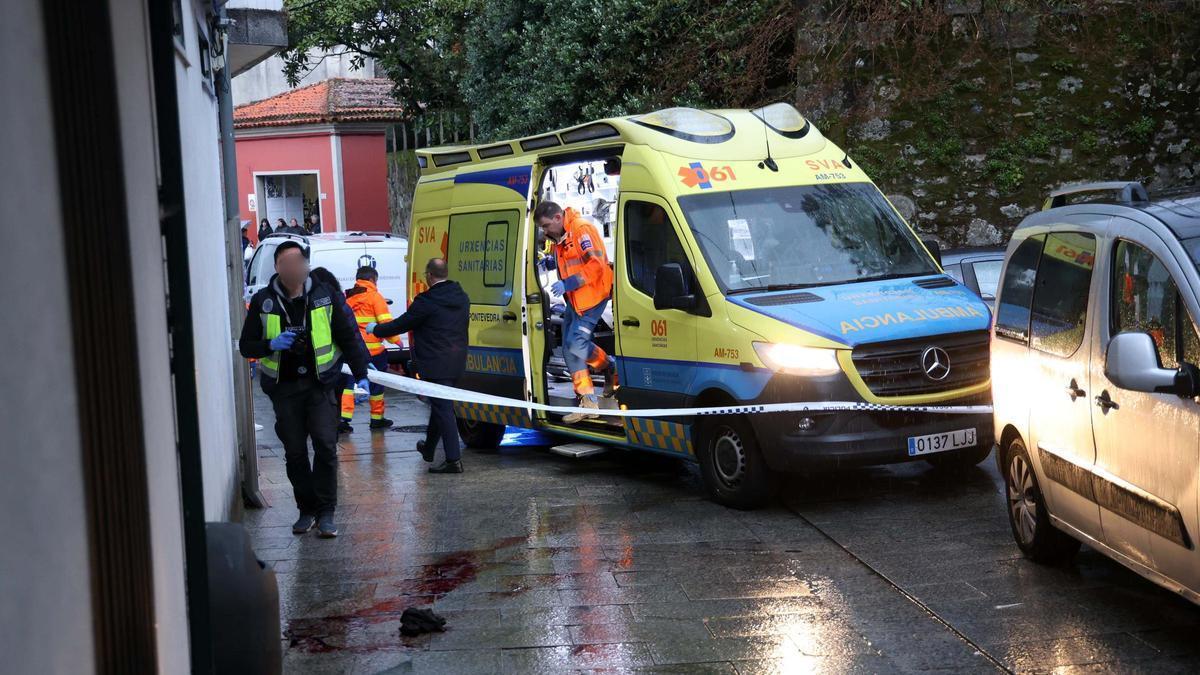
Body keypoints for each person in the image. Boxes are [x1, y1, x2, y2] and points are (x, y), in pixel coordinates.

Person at [239, 241, 370, 538]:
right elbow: (246, 345)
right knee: (295, 452)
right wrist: (270, 345)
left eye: (298, 262)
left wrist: (361, 372)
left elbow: (347, 335)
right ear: (277, 268)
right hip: (283, 389)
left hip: (320, 385)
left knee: (325, 446)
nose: (293, 268)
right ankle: (306, 510)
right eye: (286, 263)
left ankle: (326, 512)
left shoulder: (325, 297)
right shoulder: (264, 301)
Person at [369, 258, 469, 473]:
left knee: (443, 408)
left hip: (435, 362)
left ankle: (453, 460)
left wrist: (375, 329)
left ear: (429, 276)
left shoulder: (426, 301)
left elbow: (401, 324)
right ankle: (429, 448)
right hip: (456, 360)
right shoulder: (461, 296)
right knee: (440, 406)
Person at [534, 200, 616, 423]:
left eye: (546, 226)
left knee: (575, 344)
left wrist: (568, 283)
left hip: (592, 296)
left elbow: (597, 264)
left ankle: (609, 367)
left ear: (558, 218)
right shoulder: (562, 235)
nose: (545, 231)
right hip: (575, 300)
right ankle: (587, 400)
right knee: (571, 350)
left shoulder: (581, 230)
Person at [340, 265, 394, 433]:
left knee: (347, 385)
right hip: (374, 352)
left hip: (352, 350)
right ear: (372, 280)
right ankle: (376, 419)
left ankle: (343, 420)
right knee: (377, 386)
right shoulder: (375, 297)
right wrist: (396, 340)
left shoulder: (348, 298)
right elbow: (386, 324)